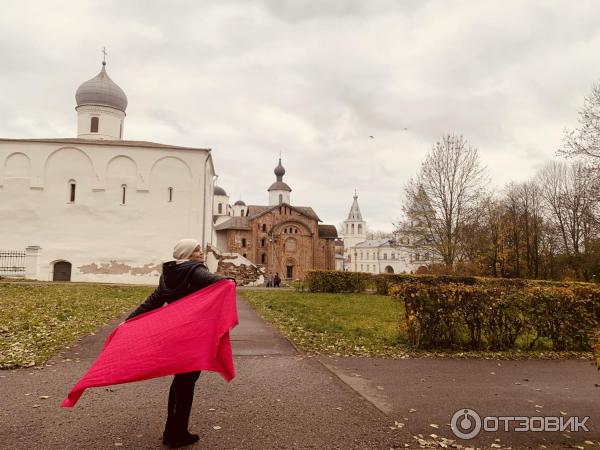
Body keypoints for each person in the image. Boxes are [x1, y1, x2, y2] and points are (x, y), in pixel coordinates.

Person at [125, 238, 231, 448]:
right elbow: (221, 283)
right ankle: (178, 434)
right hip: (194, 334)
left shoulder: (169, 274)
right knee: (186, 382)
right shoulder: (195, 270)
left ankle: (171, 431)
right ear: (188, 254)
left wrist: (128, 321)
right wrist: (229, 282)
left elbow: (153, 301)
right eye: (197, 250)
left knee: (180, 381)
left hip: (178, 333)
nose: (200, 252)